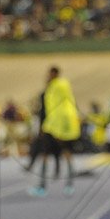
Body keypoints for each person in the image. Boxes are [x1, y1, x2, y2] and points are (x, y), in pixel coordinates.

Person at [29, 66, 81, 198]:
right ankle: (63, 185)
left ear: (54, 74)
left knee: (56, 155)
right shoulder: (60, 89)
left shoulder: (54, 89)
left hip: (55, 126)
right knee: (57, 155)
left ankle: (53, 186)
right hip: (58, 126)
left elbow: (46, 110)